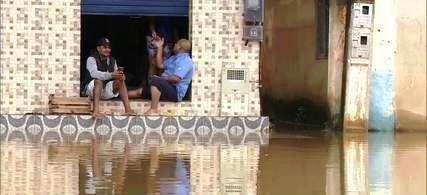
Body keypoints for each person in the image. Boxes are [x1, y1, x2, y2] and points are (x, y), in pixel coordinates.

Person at [129, 36, 193, 115]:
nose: (174, 45)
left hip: (175, 92)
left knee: (156, 81)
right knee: (139, 92)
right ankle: (116, 94)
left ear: (179, 47)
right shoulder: (174, 57)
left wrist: (161, 79)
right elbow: (160, 65)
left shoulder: (186, 61)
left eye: (176, 44)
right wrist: (160, 47)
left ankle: (153, 110)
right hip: (163, 87)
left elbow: (176, 79)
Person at [84, 37, 136, 117]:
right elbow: (94, 74)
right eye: (104, 47)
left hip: (106, 90)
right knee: (99, 80)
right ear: (98, 48)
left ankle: (128, 110)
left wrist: (121, 76)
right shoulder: (91, 59)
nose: (107, 49)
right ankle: (96, 111)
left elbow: (116, 75)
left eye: (109, 47)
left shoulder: (112, 60)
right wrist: (111, 75)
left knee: (120, 80)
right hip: (91, 89)